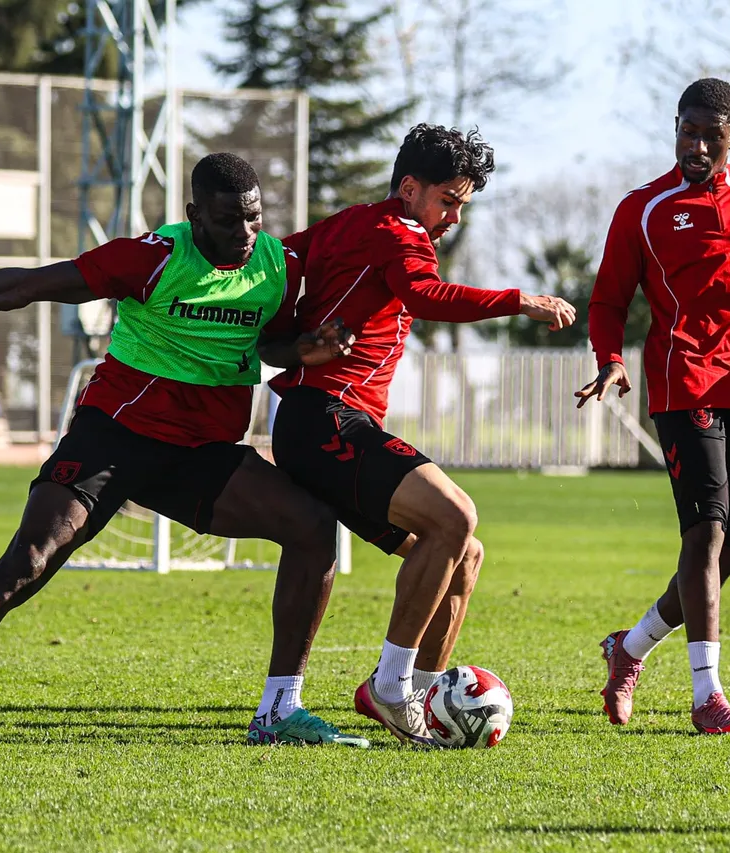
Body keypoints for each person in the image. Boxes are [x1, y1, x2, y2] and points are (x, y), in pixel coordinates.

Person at [0, 153, 370, 748]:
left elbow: (268, 343)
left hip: (201, 453)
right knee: (28, 564)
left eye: (253, 219)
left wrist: (305, 349)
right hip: (113, 439)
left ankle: (278, 711)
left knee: (313, 528)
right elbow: (26, 285)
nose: (244, 233)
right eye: (227, 221)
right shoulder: (151, 258)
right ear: (194, 214)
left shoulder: (278, 265)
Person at [259, 123, 576, 745]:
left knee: (464, 554)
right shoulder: (399, 231)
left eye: (462, 204)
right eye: (448, 201)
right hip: (325, 417)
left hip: (318, 422)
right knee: (456, 516)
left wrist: (289, 334)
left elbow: (276, 262)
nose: (454, 217)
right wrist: (520, 301)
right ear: (409, 189)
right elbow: (425, 295)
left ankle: (422, 699)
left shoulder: (347, 225)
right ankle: (390, 686)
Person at [576, 78, 730, 736]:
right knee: (705, 533)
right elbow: (608, 298)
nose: (699, 146)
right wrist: (611, 358)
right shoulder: (644, 208)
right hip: (683, 380)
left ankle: (628, 648)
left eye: (714, 136)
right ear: (676, 127)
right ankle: (707, 695)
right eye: (689, 132)